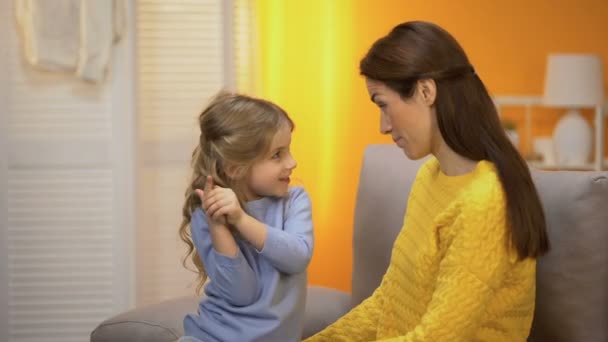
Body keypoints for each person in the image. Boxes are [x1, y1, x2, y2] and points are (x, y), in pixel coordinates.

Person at [306, 21, 549, 341]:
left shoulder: (484, 202)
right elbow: (388, 300)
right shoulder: (430, 178)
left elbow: (437, 337)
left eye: (383, 105)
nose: (382, 125)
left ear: (425, 91)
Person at [177, 91, 314, 342]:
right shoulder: (205, 213)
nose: (292, 162)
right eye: (277, 155)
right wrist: (219, 226)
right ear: (235, 168)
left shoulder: (294, 201)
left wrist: (241, 220)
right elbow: (241, 293)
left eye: (289, 151)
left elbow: (297, 256)